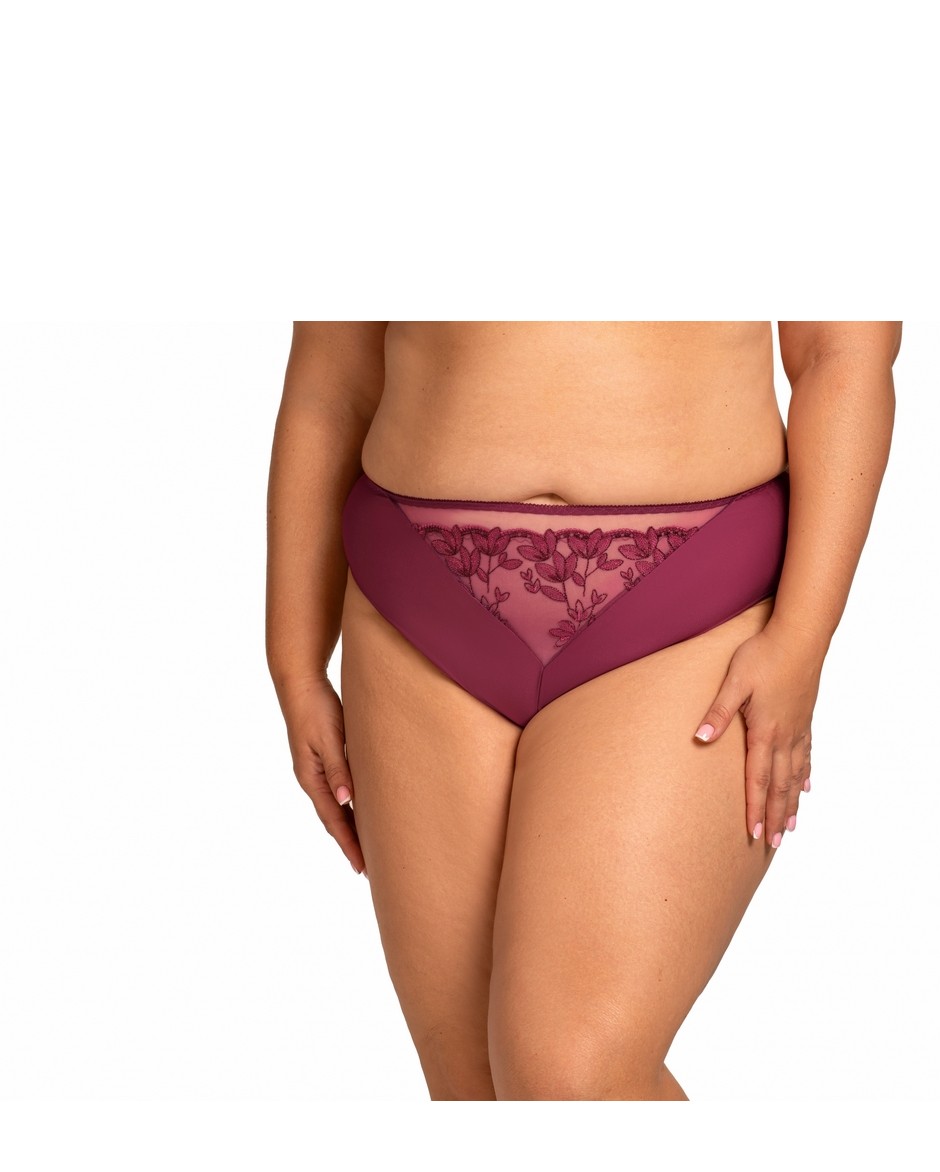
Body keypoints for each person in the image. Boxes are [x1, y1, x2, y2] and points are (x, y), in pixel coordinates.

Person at [266, 321, 902, 1101]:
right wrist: (293, 659)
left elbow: (844, 350)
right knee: (473, 1091)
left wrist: (802, 638)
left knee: (573, 1075)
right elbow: (332, 378)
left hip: (689, 592)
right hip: (413, 596)